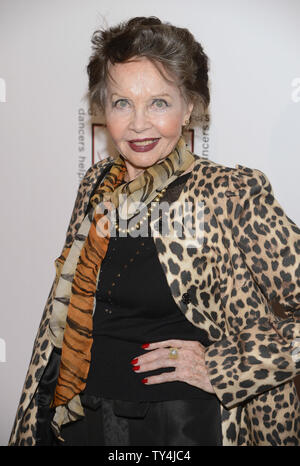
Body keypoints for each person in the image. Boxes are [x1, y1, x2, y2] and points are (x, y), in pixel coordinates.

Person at [9, 16, 300, 447]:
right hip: (76, 416)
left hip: (176, 426)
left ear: (190, 108)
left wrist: (228, 367)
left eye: (159, 103)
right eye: (122, 103)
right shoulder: (96, 184)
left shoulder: (229, 193)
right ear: (103, 109)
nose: (139, 123)